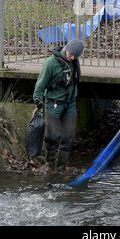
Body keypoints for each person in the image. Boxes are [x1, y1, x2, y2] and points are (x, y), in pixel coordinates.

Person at [33, 38, 84, 174]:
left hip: (70, 103)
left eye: (75, 56)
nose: (71, 57)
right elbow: (40, 84)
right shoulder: (51, 63)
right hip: (54, 103)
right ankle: (49, 165)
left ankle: (61, 167)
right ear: (66, 48)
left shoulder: (74, 62)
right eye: (70, 54)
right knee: (52, 136)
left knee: (68, 136)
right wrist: (38, 99)